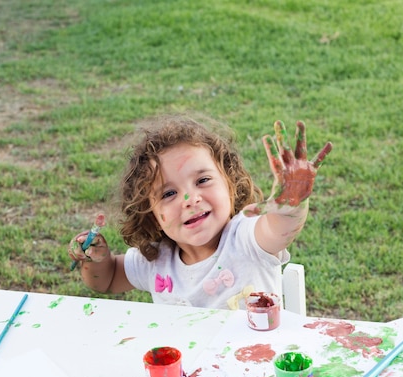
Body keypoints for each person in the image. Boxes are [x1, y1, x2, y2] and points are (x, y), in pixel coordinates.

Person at [68, 114, 332, 309]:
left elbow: (278, 229)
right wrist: (97, 260)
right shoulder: (156, 259)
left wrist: (291, 204)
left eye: (203, 180)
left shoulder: (245, 237)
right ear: (149, 212)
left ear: (230, 183)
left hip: (255, 372)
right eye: (169, 193)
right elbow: (108, 279)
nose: (190, 199)